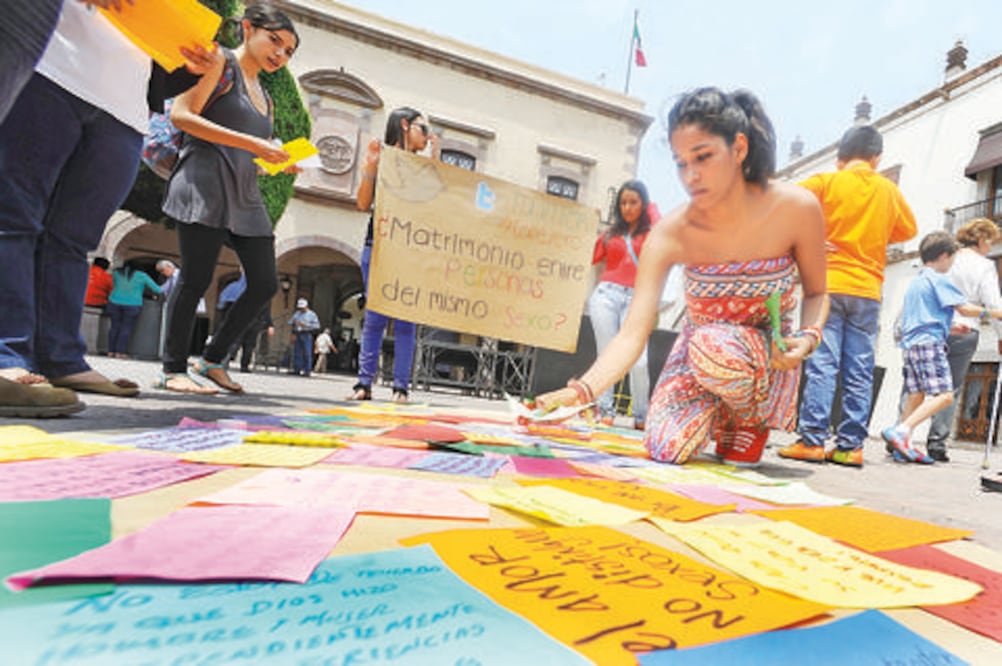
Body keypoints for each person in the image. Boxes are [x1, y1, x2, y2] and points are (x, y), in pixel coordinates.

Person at [537, 87, 829, 467]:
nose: (691, 175)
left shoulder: (797, 208)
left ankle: (747, 418)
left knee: (714, 347)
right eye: (681, 162)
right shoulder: (671, 232)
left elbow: (818, 291)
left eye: (704, 157)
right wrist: (579, 392)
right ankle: (712, 414)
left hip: (759, 356)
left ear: (738, 149)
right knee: (666, 448)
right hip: (697, 354)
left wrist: (805, 341)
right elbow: (631, 333)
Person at [0, 0, 217, 412]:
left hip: (125, 107)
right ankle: (6, 353)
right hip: (50, 69)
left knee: (74, 239)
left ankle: (61, 356)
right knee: (14, 216)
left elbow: (156, 58)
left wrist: (188, 66)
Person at [157, 3, 300, 396]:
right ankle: (171, 368)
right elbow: (183, 116)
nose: (280, 55)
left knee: (265, 282)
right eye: (274, 41)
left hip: (244, 192)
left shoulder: (267, 96)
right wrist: (255, 143)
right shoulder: (219, 62)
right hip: (203, 181)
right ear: (248, 28)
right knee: (196, 278)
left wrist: (273, 162)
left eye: (288, 51)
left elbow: (246, 154)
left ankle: (212, 358)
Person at [779, 125, 917, 467]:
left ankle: (811, 440)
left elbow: (782, 201)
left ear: (840, 158)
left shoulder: (827, 182)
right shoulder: (888, 190)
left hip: (825, 286)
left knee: (823, 362)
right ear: (876, 158)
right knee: (859, 368)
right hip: (868, 290)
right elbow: (908, 229)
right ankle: (850, 446)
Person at [882, 232, 1002, 464]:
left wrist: (952, 328)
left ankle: (902, 447)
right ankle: (901, 431)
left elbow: (924, 315)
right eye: (952, 259)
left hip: (913, 343)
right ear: (944, 256)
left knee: (915, 395)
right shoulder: (939, 279)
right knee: (946, 395)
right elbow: (965, 309)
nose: (952, 265)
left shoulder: (917, 280)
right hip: (930, 344)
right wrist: (994, 313)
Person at [349, 107, 439, 404]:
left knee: (405, 321)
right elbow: (363, 203)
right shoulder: (383, 157)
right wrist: (371, 166)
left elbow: (438, 204)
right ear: (405, 125)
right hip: (378, 242)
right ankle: (364, 383)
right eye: (422, 129)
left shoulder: (424, 166)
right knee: (374, 317)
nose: (427, 136)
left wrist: (436, 160)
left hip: (411, 248)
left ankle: (400, 387)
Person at [589, 179, 656, 429]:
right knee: (607, 355)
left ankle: (641, 415)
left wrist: (651, 209)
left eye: (634, 202)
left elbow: (659, 223)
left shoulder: (652, 234)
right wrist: (588, 223)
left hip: (638, 299)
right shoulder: (610, 234)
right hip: (606, 295)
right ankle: (605, 409)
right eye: (623, 203)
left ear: (644, 204)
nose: (627, 207)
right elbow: (584, 257)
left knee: (639, 360)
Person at [106, 260, 161, 360]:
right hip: (132, 304)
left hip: (114, 301)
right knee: (126, 328)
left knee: (114, 327)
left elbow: (112, 285)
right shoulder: (142, 275)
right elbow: (157, 289)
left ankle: (110, 351)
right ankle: (120, 352)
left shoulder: (116, 273)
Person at [234, 305, 274, 373]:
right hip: (241, 324)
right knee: (235, 345)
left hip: (254, 326)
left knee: (249, 347)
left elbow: (266, 313)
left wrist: (270, 325)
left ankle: (244, 366)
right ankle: (224, 362)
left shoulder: (262, 301)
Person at [288, 298, 320, 376]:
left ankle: (307, 370)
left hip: (306, 333)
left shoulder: (312, 315)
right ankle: (297, 369)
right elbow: (289, 321)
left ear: (306, 306)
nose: (301, 309)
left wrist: (306, 325)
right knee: (297, 352)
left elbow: (317, 326)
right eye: (300, 308)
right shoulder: (297, 314)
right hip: (298, 333)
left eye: (303, 308)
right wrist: (293, 323)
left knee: (307, 353)